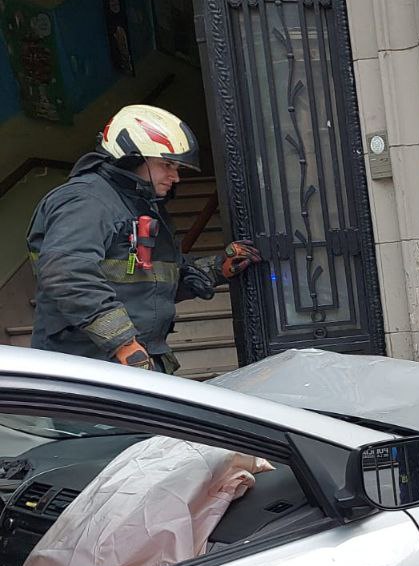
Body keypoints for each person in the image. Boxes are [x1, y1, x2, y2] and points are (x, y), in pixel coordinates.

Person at [27, 104, 260, 373]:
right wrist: (122, 342)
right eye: (167, 165)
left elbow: (148, 281)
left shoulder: (140, 206)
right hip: (88, 370)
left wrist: (215, 269)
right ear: (131, 158)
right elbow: (67, 275)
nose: (175, 177)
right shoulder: (86, 200)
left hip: (131, 365)